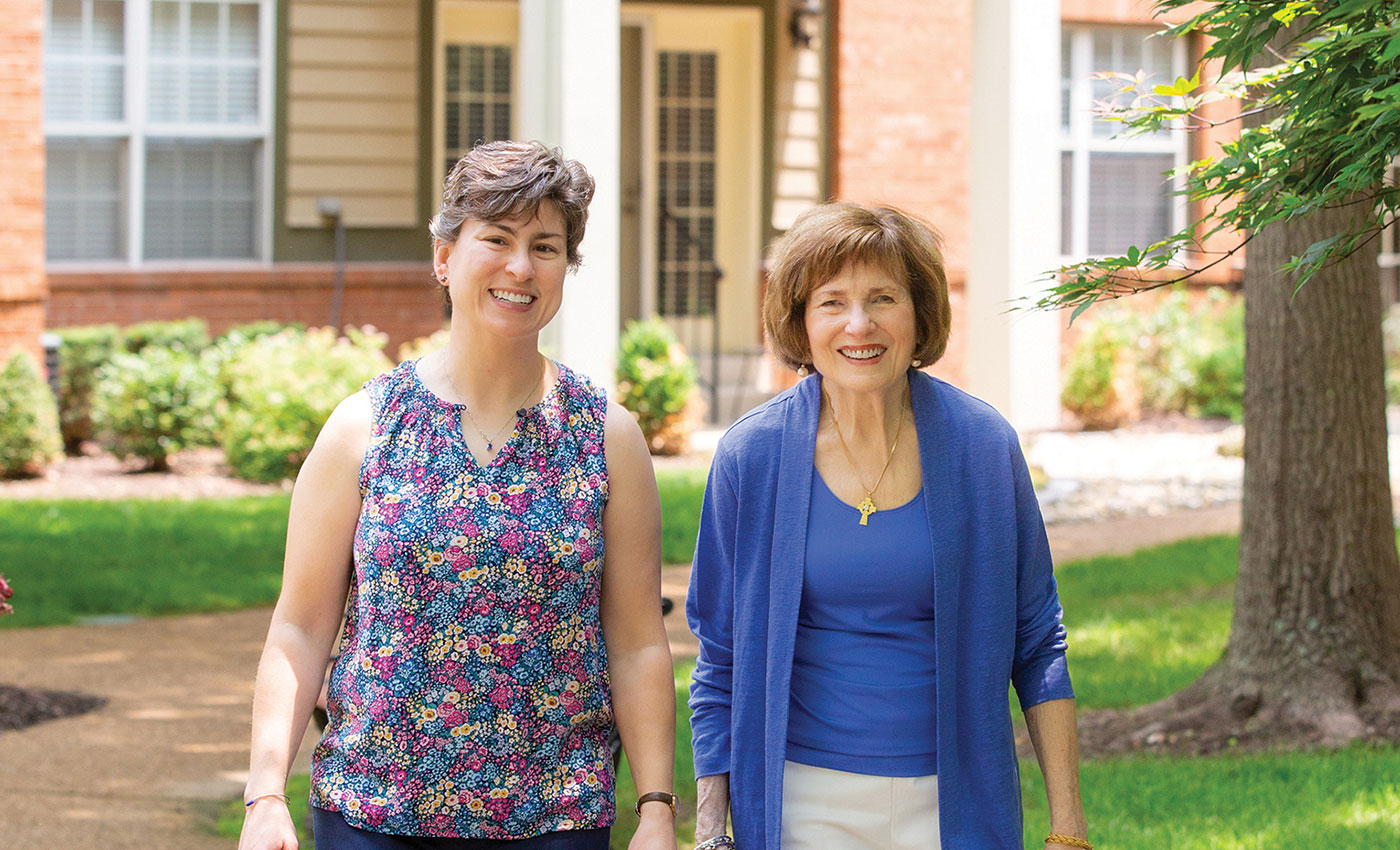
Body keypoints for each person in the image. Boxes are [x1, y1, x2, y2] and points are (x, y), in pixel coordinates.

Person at [239, 140, 679, 850]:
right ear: (444, 257)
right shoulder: (365, 426)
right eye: (497, 239)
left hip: (554, 819)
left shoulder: (607, 437)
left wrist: (656, 806)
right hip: (372, 813)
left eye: (545, 246)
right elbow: (300, 629)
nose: (519, 266)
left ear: (566, 268)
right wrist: (265, 795)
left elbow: (636, 645)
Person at [686, 202, 1089, 850]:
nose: (859, 324)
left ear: (919, 312)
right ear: (800, 320)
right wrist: (711, 831)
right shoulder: (751, 457)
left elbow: (1038, 641)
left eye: (882, 298)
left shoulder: (983, 447)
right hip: (803, 803)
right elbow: (721, 658)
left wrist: (1068, 831)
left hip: (955, 803)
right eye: (832, 302)